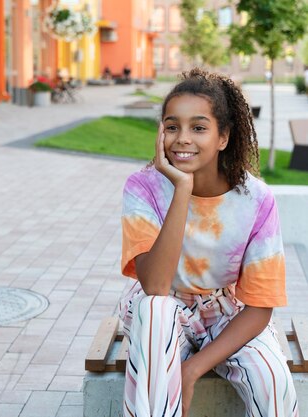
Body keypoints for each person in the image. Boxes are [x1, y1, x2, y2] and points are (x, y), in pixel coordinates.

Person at [119, 68, 298, 416]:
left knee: (273, 381)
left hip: (227, 313)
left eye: (198, 127)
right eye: (172, 126)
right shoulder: (143, 188)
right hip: (163, 312)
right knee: (155, 311)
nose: (182, 138)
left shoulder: (256, 200)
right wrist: (182, 189)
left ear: (223, 137)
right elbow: (155, 285)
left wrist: (193, 368)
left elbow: (260, 306)